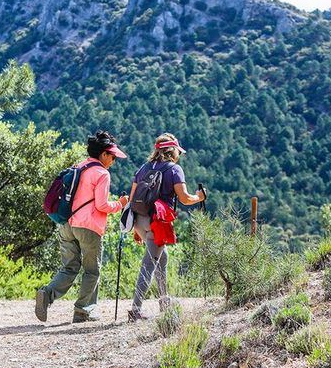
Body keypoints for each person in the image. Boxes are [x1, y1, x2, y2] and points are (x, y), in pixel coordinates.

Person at [35, 131, 129, 323]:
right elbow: (102, 205)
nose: (113, 160)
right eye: (112, 156)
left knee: (69, 267)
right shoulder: (102, 173)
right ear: (103, 154)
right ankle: (82, 311)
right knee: (92, 270)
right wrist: (120, 203)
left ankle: (47, 293)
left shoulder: (78, 167)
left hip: (66, 223)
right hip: (88, 227)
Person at [127, 133, 205, 322]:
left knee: (162, 258)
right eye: (178, 151)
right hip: (157, 222)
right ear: (173, 151)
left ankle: (164, 302)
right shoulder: (174, 169)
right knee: (149, 264)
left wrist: (135, 229)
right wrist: (200, 198)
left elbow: (131, 198)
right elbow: (185, 199)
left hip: (138, 220)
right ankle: (135, 310)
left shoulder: (143, 168)